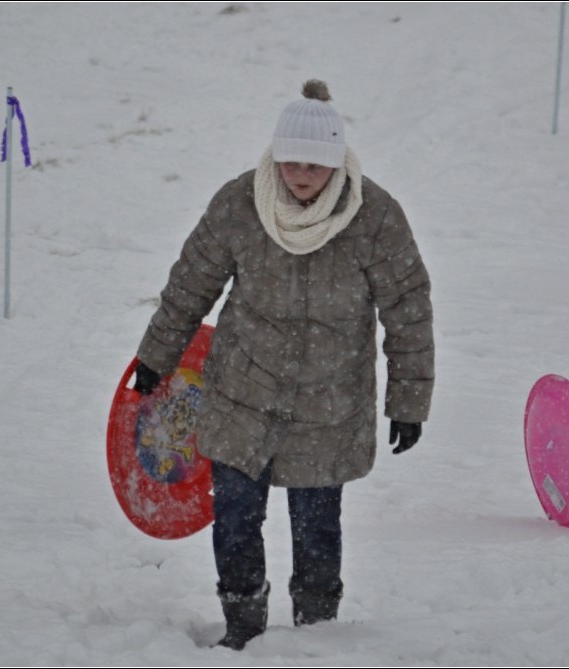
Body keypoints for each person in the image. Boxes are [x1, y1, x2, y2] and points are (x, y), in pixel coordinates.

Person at [132, 80, 435, 650]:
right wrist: (156, 358)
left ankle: (316, 637)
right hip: (242, 392)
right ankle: (242, 627)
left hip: (330, 402)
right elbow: (191, 282)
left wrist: (408, 402)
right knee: (237, 521)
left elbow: (408, 307)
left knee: (317, 529)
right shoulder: (239, 204)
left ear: (337, 163)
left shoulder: (374, 217)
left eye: (315, 165)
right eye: (290, 161)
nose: (300, 175)